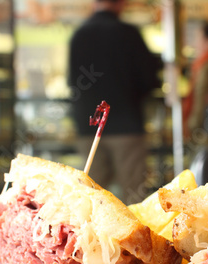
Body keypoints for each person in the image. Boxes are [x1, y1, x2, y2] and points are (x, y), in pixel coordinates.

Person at [68, 0, 160, 204]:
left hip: (88, 127)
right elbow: (149, 80)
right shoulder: (129, 34)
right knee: (134, 196)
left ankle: (90, 237)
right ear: (121, 4)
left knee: (91, 198)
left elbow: (72, 84)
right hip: (127, 126)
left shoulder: (79, 34)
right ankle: (134, 236)